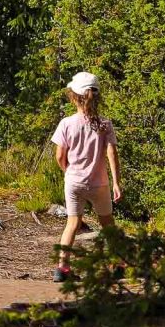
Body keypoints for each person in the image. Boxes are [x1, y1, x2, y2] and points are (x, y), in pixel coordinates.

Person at [51, 71, 120, 284]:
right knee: (108, 224)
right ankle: (118, 263)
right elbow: (111, 153)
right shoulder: (104, 124)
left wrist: (68, 172)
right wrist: (117, 183)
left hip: (74, 181)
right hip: (98, 182)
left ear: (74, 96)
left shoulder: (67, 123)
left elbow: (60, 155)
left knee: (72, 223)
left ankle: (62, 268)